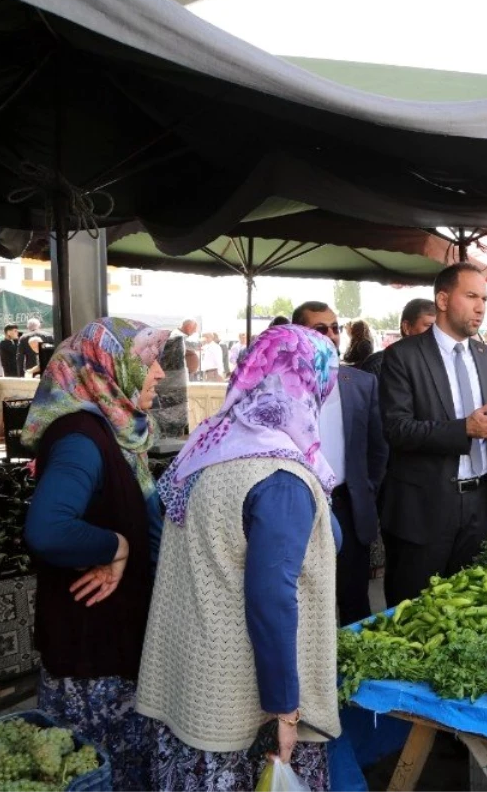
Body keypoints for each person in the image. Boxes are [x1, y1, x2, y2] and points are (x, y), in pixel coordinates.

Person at [137, 325, 343, 790]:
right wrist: (286, 709)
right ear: (309, 383)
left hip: (188, 679)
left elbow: (160, 527)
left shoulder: (205, 448)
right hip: (238, 705)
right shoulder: (282, 476)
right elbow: (272, 599)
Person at [20, 317, 171, 789]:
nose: (160, 374)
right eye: (149, 362)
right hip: (93, 660)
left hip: (113, 645)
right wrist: (115, 544)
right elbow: (48, 530)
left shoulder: (115, 432)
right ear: (108, 367)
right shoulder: (81, 439)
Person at [379, 262, 487, 604]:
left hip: (481, 505)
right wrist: (463, 429)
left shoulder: (485, 356)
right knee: (415, 609)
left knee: (469, 604)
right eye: (471, 296)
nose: (481, 307)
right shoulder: (402, 357)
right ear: (442, 299)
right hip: (425, 507)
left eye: (484, 298)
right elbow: (397, 429)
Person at [293, 301, 388, 625]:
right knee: (304, 601)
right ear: (298, 334)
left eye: (335, 327)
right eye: (320, 329)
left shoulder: (361, 383)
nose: (331, 335)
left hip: (348, 505)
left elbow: (378, 448)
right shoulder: (279, 386)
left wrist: (365, 490)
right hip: (298, 505)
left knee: (354, 600)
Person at [359, 298, 436, 379]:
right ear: (406, 327)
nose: (435, 332)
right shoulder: (379, 364)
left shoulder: (437, 364)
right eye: (429, 326)